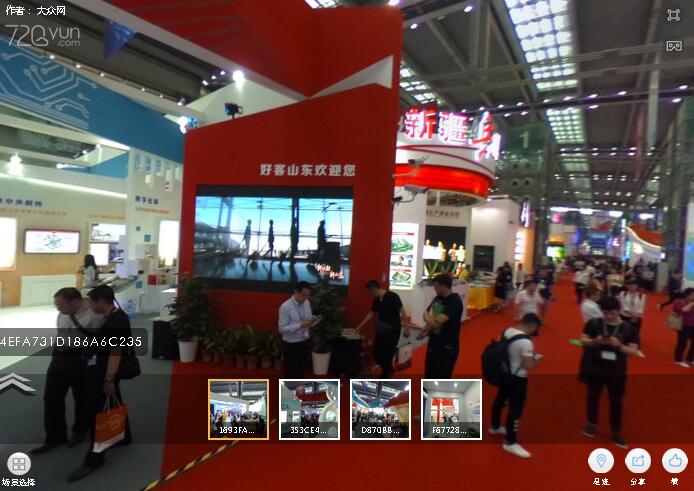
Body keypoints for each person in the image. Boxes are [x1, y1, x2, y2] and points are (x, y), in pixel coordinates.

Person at [67, 285, 133, 482]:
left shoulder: (115, 321)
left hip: (105, 372)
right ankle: (124, 436)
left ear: (101, 302)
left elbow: (115, 353)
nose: (89, 306)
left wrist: (109, 379)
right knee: (113, 400)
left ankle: (94, 458)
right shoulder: (112, 316)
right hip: (103, 369)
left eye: (91, 302)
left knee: (97, 412)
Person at [31, 288, 103, 455]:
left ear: (75, 301)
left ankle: (80, 430)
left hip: (81, 359)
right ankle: (54, 437)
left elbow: (100, 340)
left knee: (81, 397)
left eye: (61, 304)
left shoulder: (94, 314)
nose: (58, 308)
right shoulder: (62, 313)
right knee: (51, 397)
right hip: (60, 357)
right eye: (56, 305)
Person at [579, 297, 639, 449]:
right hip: (595, 367)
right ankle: (591, 423)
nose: (608, 316)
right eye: (605, 313)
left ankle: (616, 430)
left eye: (612, 313)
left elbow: (634, 351)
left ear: (618, 311)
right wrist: (595, 341)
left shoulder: (628, 328)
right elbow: (582, 340)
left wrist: (619, 345)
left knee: (616, 401)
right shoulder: (594, 323)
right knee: (593, 396)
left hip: (617, 370)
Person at [489, 313, 542, 459]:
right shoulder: (526, 342)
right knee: (516, 409)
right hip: (518, 378)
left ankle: (494, 425)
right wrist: (537, 359)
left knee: (500, 400)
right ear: (532, 326)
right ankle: (510, 442)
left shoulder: (506, 331)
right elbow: (529, 365)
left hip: (504, 374)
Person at [356, 280, 410, 378]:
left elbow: (403, 312)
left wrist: (406, 327)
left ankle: (385, 374)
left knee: (388, 353)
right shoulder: (376, 299)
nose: (370, 294)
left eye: (370, 292)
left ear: (374, 289)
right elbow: (371, 313)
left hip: (393, 329)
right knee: (376, 352)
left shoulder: (393, 296)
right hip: (381, 329)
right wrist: (360, 326)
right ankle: (389, 370)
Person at [420, 274, 464, 378]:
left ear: (443, 286)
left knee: (442, 375)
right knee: (429, 373)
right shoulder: (438, 298)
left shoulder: (454, 301)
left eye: (436, 286)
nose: (434, 288)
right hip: (434, 343)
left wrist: (429, 320)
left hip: (447, 346)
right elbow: (428, 313)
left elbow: (434, 321)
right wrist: (427, 327)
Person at [278, 281, 314, 378]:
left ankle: (299, 387)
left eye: (308, 295)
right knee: (291, 373)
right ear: (296, 292)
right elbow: (282, 329)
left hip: (304, 342)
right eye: (303, 295)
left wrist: (312, 321)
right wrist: (299, 325)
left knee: (301, 371)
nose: (306, 298)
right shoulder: (285, 307)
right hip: (290, 344)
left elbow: (308, 319)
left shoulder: (307, 303)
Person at [618, 279, 646, 357]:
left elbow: (641, 307)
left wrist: (636, 316)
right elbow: (624, 306)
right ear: (626, 286)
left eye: (633, 284)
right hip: (625, 316)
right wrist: (632, 315)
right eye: (629, 284)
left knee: (636, 333)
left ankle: (637, 350)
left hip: (637, 317)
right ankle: (622, 348)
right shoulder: (623, 294)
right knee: (623, 332)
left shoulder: (641, 295)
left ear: (637, 286)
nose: (631, 286)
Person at [673, 288, 694, 368]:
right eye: (692, 295)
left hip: (693, 325)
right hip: (683, 325)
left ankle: (690, 359)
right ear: (687, 295)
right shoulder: (679, 301)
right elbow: (683, 310)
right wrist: (692, 303)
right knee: (682, 343)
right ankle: (678, 360)